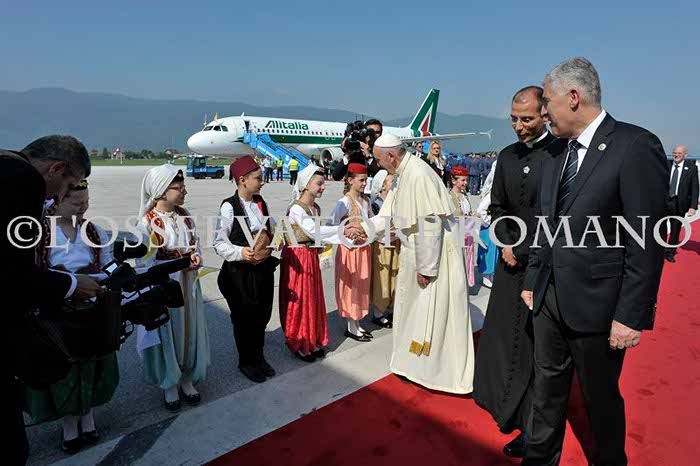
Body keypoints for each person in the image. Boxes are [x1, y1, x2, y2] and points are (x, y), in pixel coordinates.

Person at [521, 57, 668, 466]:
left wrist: (631, 315)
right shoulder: (556, 152)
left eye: (547, 102)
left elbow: (646, 242)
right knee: (546, 390)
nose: (543, 112)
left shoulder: (635, 146)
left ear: (573, 97)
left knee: (600, 399)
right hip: (549, 297)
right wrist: (533, 279)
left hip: (599, 305)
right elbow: (545, 223)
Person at [473, 86, 567, 459]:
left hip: (544, 268)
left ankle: (532, 426)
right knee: (503, 337)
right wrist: (506, 244)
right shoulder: (507, 156)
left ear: (545, 114)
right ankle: (501, 404)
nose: (518, 126)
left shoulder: (561, 154)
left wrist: (524, 249)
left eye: (526, 119)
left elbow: (559, 215)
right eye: (513, 119)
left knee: (536, 349)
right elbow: (497, 206)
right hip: (508, 263)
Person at [1, 135, 102, 465]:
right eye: (68, 186)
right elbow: (13, 272)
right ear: (56, 169)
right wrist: (71, 284)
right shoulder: (23, 180)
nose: (58, 197)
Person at [350, 134, 475, 394]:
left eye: (379, 159)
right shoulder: (401, 175)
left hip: (433, 256)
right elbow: (388, 214)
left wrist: (426, 268)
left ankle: (433, 371)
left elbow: (430, 224)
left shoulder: (418, 175)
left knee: (431, 314)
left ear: (391, 156)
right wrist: (364, 228)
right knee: (413, 311)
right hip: (415, 252)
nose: (377, 164)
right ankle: (412, 364)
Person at [24, 181, 119, 454]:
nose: (82, 208)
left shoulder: (95, 231)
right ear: (56, 202)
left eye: (86, 202)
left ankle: (87, 416)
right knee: (65, 371)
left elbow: (108, 263)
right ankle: (69, 423)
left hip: (92, 310)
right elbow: (34, 274)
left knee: (92, 365)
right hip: (57, 314)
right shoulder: (40, 234)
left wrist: (111, 276)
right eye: (76, 203)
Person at [138, 165, 210, 412]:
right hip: (165, 287)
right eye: (178, 187)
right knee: (167, 333)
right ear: (160, 191)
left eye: (183, 186)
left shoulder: (185, 215)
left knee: (189, 330)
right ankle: (169, 382)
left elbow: (195, 245)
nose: (184, 191)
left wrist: (196, 258)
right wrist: (176, 265)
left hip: (189, 284)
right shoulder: (147, 222)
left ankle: (187, 377)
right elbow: (144, 263)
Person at [214, 156, 278, 383]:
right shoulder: (228, 206)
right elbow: (219, 242)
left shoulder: (260, 202)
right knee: (244, 319)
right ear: (242, 180)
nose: (262, 182)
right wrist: (240, 252)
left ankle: (258, 357)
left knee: (262, 315)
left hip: (262, 270)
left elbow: (271, 226)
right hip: (239, 274)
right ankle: (246, 361)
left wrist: (276, 239)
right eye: (258, 178)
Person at [279, 164, 347, 362]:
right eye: (319, 183)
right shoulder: (296, 208)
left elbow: (319, 235)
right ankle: (299, 342)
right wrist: (342, 231)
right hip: (297, 259)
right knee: (300, 300)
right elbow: (312, 231)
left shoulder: (315, 208)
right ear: (306, 185)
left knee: (312, 298)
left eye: (323, 183)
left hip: (310, 257)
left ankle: (311, 338)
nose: (323, 187)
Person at [332, 163, 374, 341]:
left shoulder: (366, 201)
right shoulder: (344, 202)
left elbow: (371, 221)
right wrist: (347, 230)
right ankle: (351, 325)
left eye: (365, 180)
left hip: (364, 249)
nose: (364, 183)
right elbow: (332, 225)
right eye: (361, 180)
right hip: (350, 250)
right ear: (350, 180)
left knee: (361, 286)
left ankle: (357, 322)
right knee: (350, 286)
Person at [369, 170, 398, 329]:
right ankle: (378, 312)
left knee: (395, 276)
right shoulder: (376, 204)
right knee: (383, 279)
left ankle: (392, 308)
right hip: (382, 245)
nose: (394, 183)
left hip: (396, 242)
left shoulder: (396, 201)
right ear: (382, 185)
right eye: (391, 181)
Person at [663, 145, 698, 262]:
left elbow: (695, 188)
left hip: (679, 203)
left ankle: (670, 252)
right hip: (664, 202)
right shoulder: (666, 165)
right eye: (675, 153)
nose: (676, 155)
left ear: (685, 155)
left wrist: (693, 206)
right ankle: (659, 249)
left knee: (675, 229)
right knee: (660, 227)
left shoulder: (691, 168)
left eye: (679, 153)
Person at [449, 166, 476, 288]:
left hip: (467, 235)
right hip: (456, 236)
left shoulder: (465, 196)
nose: (465, 183)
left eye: (466, 180)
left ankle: (465, 284)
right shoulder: (449, 197)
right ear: (453, 180)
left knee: (467, 261)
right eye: (462, 180)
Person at [476, 158, 500, 288]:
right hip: (488, 227)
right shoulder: (490, 194)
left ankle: (491, 275)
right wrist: (490, 221)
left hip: (494, 227)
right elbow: (481, 211)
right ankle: (486, 275)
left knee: (493, 252)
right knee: (488, 252)